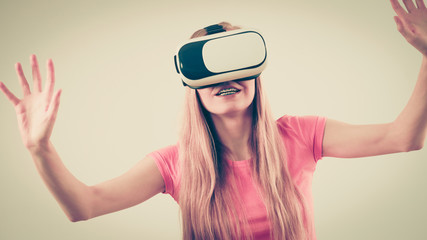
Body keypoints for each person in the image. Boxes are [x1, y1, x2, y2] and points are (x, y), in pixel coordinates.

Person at [0, 0, 426, 239]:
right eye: (209, 70)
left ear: (257, 74)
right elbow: (84, 207)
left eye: (237, 65)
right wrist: (40, 148)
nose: (226, 79)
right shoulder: (173, 164)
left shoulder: (301, 134)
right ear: (191, 85)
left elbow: (404, 136)